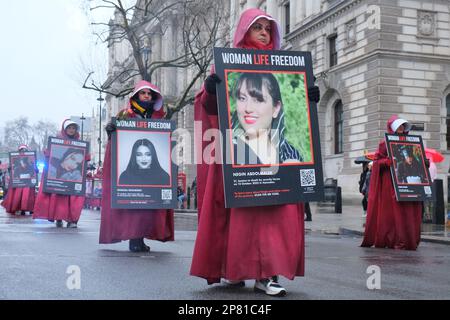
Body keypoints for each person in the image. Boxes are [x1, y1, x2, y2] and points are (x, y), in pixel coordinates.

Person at [190, 8, 320, 296]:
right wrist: (211, 90)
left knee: (277, 215)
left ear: (275, 107)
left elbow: (298, 108)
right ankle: (235, 270)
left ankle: (267, 275)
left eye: (267, 28)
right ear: (244, 31)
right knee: (240, 219)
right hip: (237, 160)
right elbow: (210, 106)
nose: (263, 33)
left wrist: (309, 97)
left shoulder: (284, 65)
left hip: (275, 163)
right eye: (257, 27)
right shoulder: (225, 64)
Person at [101, 80, 174, 252]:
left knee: (147, 207)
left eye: (149, 94)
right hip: (133, 174)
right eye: (143, 93)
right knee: (133, 207)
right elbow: (116, 143)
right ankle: (134, 239)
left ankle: (140, 238)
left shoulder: (158, 118)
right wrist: (110, 130)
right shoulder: (125, 115)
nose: (147, 96)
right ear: (136, 96)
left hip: (150, 174)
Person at [361, 115, 422, 250]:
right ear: (393, 127)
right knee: (394, 212)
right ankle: (394, 238)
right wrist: (387, 161)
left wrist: (423, 163)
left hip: (409, 181)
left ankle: (409, 238)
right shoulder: (384, 144)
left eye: (403, 126)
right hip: (391, 183)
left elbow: (416, 158)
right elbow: (376, 162)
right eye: (398, 126)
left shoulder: (411, 141)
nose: (401, 128)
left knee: (408, 210)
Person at [231, 72, 302, 164]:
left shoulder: (290, 155)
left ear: (276, 108)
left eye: (258, 100)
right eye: (242, 98)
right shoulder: (225, 151)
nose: (248, 108)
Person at [33, 120, 89, 228]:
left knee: (73, 198)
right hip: (58, 180)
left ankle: (72, 220)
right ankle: (58, 217)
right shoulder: (57, 142)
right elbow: (49, 159)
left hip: (73, 181)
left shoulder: (80, 144)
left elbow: (83, 160)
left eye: (73, 128)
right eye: (69, 128)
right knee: (58, 197)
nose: (71, 130)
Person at [1, 145, 37, 216]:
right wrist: (11, 169)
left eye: (25, 151)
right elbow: (12, 171)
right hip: (19, 183)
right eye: (22, 150)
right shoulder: (15, 162)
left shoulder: (29, 162)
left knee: (28, 196)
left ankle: (30, 208)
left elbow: (34, 170)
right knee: (18, 195)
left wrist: (34, 170)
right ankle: (20, 208)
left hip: (28, 182)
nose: (23, 152)